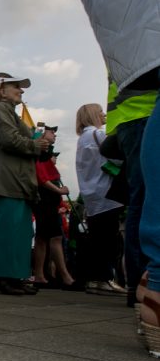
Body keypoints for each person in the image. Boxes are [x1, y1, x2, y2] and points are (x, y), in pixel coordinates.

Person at [63, 0, 160, 355]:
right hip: (138, 110)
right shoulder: (90, 136)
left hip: (135, 34)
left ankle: (147, 282)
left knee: (140, 203)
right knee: (139, 204)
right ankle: (148, 280)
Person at [0, 74, 50, 295]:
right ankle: (2, 276)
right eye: (15, 87)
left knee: (19, 230)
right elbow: (9, 140)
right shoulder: (0, 110)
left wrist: (37, 144)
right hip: (7, 175)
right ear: (1, 91)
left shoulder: (10, 112)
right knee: (8, 228)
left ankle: (10, 275)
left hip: (16, 177)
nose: (21, 91)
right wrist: (36, 144)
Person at [75, 104, 126, 296]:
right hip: (106, 192)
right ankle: (104, 278)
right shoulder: (97, 135)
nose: (104, 114)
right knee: (108, 239)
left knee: (97, 238)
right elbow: (116, 158)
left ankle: (95, 279)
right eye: (100, 112)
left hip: (92, 194)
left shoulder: (83, 138)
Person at [32, 130, 75, 289]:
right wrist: (58, 191)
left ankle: (41, 275)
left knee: (43, 238)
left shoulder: (43, 154)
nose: (55, 135)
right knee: (54, 237)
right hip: (45, 200)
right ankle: (64, 276)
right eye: (51, 132)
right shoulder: (40, 153)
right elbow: (41, 178)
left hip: (47, 200)